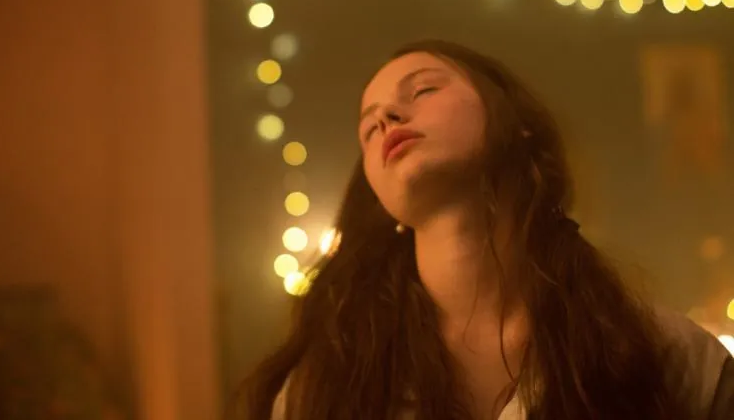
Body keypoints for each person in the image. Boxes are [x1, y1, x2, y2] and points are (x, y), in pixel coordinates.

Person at [235, 40, 733, 419]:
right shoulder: (325, 390)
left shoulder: (665, 356)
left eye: (423, 90)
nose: (387, 117)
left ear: (518, 123)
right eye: (369, 128)